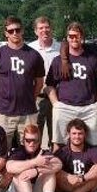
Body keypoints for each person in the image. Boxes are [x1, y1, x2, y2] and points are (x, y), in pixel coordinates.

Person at [47, 23, 97, 145]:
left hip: (88, 108)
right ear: (67, 38)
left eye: (77, 36)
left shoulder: (93, 59)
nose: (74, 39)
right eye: (71, 36)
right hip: (64, 107)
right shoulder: (58, 60)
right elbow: (49, 85)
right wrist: (55, 104)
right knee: (59, 143)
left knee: (93, 143)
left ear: (82, 37)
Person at [0, 16, 45, 141]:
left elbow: (39, 83)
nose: (15, 33)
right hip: (3, 113)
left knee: (30, 150)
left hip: (28, 112)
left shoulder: (34, 55)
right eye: (11, 31)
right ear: (6, 33)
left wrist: (31, 98)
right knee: (0, 151)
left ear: (22, 30)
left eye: (17, 30)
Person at [3, 124, 61, 192]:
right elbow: (9, 167)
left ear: (39, 141)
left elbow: (58, 164)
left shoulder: (43, 153)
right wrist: (35, 162)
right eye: (28, 140)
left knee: (49, 173)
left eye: (34, 140)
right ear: (23, 140)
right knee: (21, 173)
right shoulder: (18, 152)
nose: (31, 143)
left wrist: (37, 171)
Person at [55, 119, 97, 192]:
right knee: (56, 173)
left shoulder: (92, 150)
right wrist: (68, 176)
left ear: (85, 134)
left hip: (86, 182)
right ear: (69, 134)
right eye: (74, 133)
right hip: (70, 184)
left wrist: (83, 178)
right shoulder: (62, 152)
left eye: (80, 133)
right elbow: (53, 167)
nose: (77, 136)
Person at [28, 17, 59, 146]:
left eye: (47, 27)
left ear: (51, 28)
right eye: (41, 28)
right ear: (35, 31)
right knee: (35, 133)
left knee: (57, 135)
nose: (44, 30)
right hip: (37, 97)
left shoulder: (61, 48)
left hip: (57, 97)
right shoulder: (29, 49)